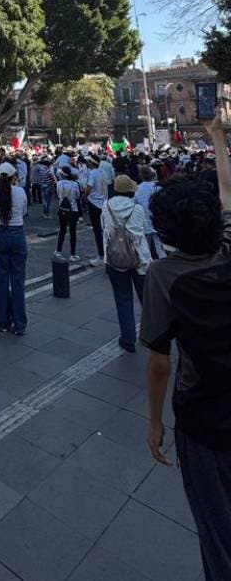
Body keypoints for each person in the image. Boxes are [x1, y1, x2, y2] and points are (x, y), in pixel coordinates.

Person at [142, 116, 231, 581]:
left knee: (217, 534)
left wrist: (155, 422)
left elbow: (159, 362)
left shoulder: (163, 276)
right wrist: (217, 138)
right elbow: (228, 196)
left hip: (201, 419)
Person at [102, 174, 151, 353]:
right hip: (139, 259)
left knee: (123, 299)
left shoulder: (106, 206)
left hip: (115, 258)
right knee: (146, 297)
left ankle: (128, 338)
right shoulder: (137, 209)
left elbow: (105, 231)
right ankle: (153, 333)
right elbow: (141, 232)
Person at [0, 162, 28, 335]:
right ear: (13, 177)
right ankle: (19, 324)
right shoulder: (20, 192)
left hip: (0, 234)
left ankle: (2, 322)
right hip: (17, 233)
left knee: (2, 280)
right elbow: (24, 211)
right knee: (18, 281)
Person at [84, 156, 109, 266]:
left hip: (94, 203)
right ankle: (107, 254)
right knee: (104, 230)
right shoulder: (102, 172)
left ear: (91, 163)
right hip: (103, 203)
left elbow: (89, 188)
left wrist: (84, 196)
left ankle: (101, 255)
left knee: (97, 231)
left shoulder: (92, 173)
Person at [55, 166, 83, 262]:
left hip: (62, 209)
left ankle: (58, 250)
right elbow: (77, 197)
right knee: (73, 232)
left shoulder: (59, 184)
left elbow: (58, 196)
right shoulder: (75, 184)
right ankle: (73, 253)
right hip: (73, 210)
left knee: (62, 230)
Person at [134, 166, 163, 259]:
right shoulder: (158, 187)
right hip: (158, 220)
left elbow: (134, 205)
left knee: (147, 248)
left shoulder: (137, 189)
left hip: (145, 221)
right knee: (161, 247)